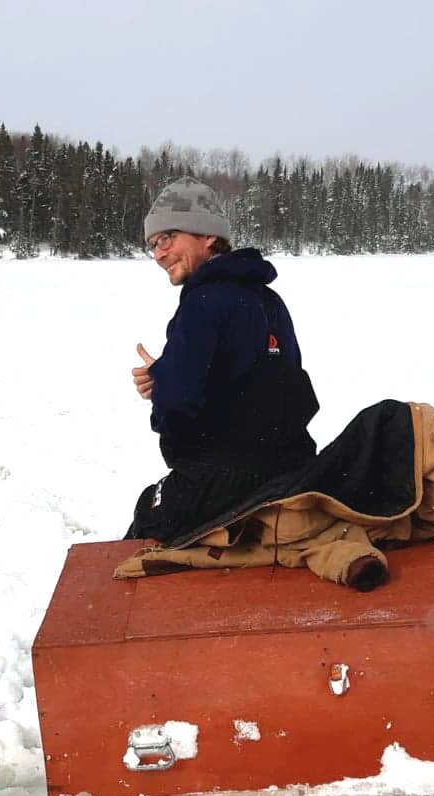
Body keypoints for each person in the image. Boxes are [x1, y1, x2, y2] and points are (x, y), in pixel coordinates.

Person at [125, 176, 320, 544]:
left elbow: (178, 405)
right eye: (153, 244)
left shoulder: (202, 303)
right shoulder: (268, 300)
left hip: (223, 481)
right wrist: (165, 372)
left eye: (167, 238)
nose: (159, 254)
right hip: (293, 471)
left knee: (145, 523)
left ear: (208, 236)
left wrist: (165, 386)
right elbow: (264, 382)